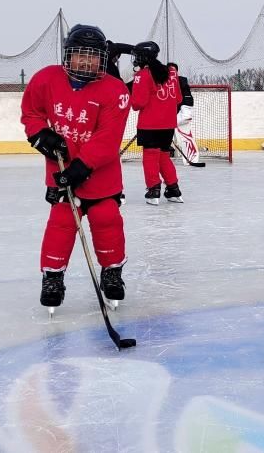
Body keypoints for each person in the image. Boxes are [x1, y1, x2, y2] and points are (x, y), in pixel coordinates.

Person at [20, 24, 132, 312]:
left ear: (102, 60)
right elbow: (31, 113)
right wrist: (39, 135)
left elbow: (108, 137)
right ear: (67, 55)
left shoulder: (114, 89)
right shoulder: (45, 79)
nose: (85, 61)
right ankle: (53, 277)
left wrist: (82, 166)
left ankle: (111, 272)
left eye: (93, 56)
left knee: (106, 217)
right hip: (60, 169)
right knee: (61, 221)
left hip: (100, 174)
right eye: (79, 55)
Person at [130, 42, 183, 204]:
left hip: (149, 125)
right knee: (164, 156)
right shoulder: (172, 73)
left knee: (150, 157)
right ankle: (173, 189)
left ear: (143, 57)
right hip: (168, 125)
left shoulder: (142, 75)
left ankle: (153, 190)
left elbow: (137, 103)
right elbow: (178, 99)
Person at [168, 62, 198, 164]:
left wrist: (186, 113)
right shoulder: (165, 82)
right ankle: (168, 150)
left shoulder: (182, 81)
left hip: (182, 113)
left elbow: (186, 99)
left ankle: (191, 157)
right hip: (175, 113)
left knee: (165, 128)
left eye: (173, 71)